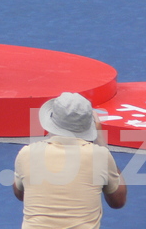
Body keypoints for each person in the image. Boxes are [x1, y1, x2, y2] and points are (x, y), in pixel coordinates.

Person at [13, 92, 127, 228]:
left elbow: (21, 194)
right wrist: (100, 140)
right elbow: (118, 202)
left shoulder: (26, 153)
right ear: (90, 124)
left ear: (50, 121)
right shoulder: (99, 156)